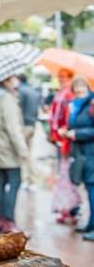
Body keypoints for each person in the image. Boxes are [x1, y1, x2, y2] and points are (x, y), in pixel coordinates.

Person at [0, 75, 28, 233]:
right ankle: (9, 220)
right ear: (6, 81)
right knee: (14, 183)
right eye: (13, 78)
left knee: (2, 182)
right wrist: (23, 150)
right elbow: (13, 129)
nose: (16, 81)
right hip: (9, 148)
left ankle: (1, 219)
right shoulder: (6, 99)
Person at [59, 76, 94, 241]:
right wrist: (66, 130)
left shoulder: (92, 104)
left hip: (91, 153)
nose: (79, 89)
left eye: (82, 86)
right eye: (76, 86)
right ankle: (91, 224)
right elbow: (74, 124)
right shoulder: (75, 105)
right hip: (81, 153)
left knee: (93, 190)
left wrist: (76, 134)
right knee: (89, 189)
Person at [49, 69, 80, 224]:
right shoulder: (61, 92)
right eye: (59, 76)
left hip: (66, 139)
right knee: (63, 173)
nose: (60, 79)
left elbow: (69, 117)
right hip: (59, 138)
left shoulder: (69, 94)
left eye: (64, 77)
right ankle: (66, 208)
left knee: (68, 173)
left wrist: (64, 131)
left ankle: (71, 208)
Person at [17, 73, 41, 189]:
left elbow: (18, 109)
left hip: (24, 125)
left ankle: (27, 179)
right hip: (32, 124)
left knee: (23, 153)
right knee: (28, 152)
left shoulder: (20, 91)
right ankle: (31, 180)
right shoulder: (33, 91)